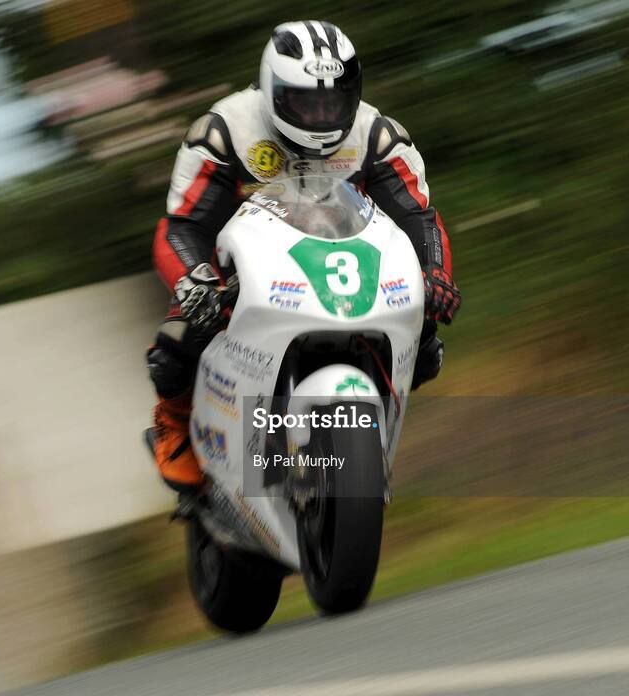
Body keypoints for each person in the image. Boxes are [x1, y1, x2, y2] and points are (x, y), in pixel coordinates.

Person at [147, 20, 462, 493]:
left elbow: (419, 217)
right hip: (241, 274)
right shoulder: (225, 130)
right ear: (271, 90)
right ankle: (174, 422)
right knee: (180, 336)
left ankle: (362, 438)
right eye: (304, 101)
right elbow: (181, 225)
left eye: (333, 100)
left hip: (346, 265)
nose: (320, 114)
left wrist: (436, 273)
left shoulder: (377, 134)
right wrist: (195, 281)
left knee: (428, 346)